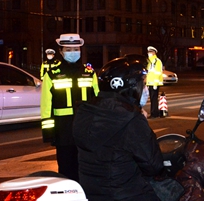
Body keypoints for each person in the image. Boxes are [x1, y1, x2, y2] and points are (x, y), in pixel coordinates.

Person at [73, 54, 164, 201]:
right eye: (143, 84)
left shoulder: (85, 112)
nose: (146, 89)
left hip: (91, 193)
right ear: (129, 87)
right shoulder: (131, 119)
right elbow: (153, 165)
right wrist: (143, 122)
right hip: (127, 194)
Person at [40, 33, 99, 182]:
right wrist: (49, 133)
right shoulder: (52, 75)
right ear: (60, 51)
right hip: (63, 131)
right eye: (68, 49)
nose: (73, 52)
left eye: (76, 49)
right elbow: (46, 105)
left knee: (87, 171)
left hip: (86, 130)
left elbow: (99, 100)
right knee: (66, 172)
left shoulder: (89, 73)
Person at [146, 46, 164, 119]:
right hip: (150, 83)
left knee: (154, 99)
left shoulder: (157, 61)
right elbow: (149, 73)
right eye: (148, 52)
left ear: (154, 53)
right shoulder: (150, 61)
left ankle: (154, 114)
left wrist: (155, 84)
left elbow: (158, 73)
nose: (149, 53)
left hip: (154, 84)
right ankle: (154, 112)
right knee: (153, 99)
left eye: (150, 52)